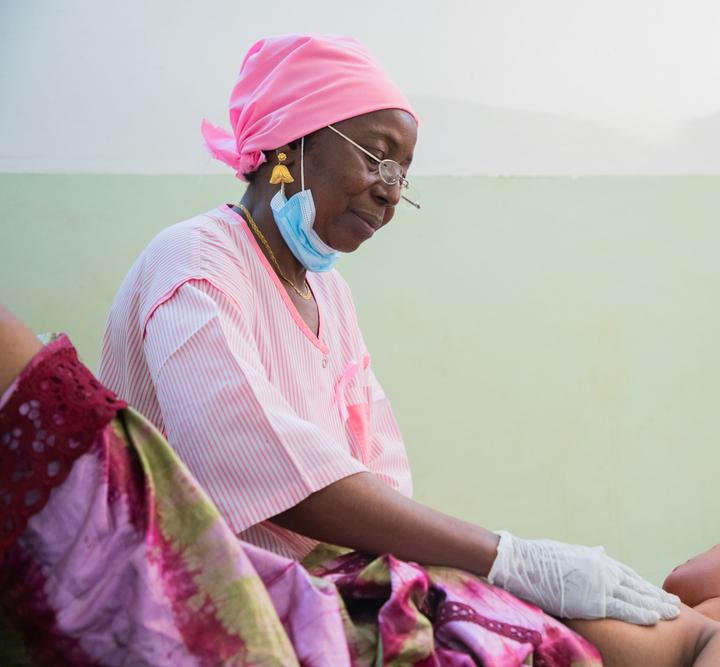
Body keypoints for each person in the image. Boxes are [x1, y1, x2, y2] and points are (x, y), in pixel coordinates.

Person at [97, 32, 677, 628]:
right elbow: (278, 474)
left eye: (403, 174)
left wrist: (465, 574)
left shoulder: (329, 293)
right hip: (192, 594)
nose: (391, 191)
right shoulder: (195, 263)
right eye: (376, 157)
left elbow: (376, 479)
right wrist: (508, 559)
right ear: (288, 142)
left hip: (315, 585)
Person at [1, 306, 720, 666]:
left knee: (99, 479)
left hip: (376, 632)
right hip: (373, 609)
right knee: (110, 498)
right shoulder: (207, 270)